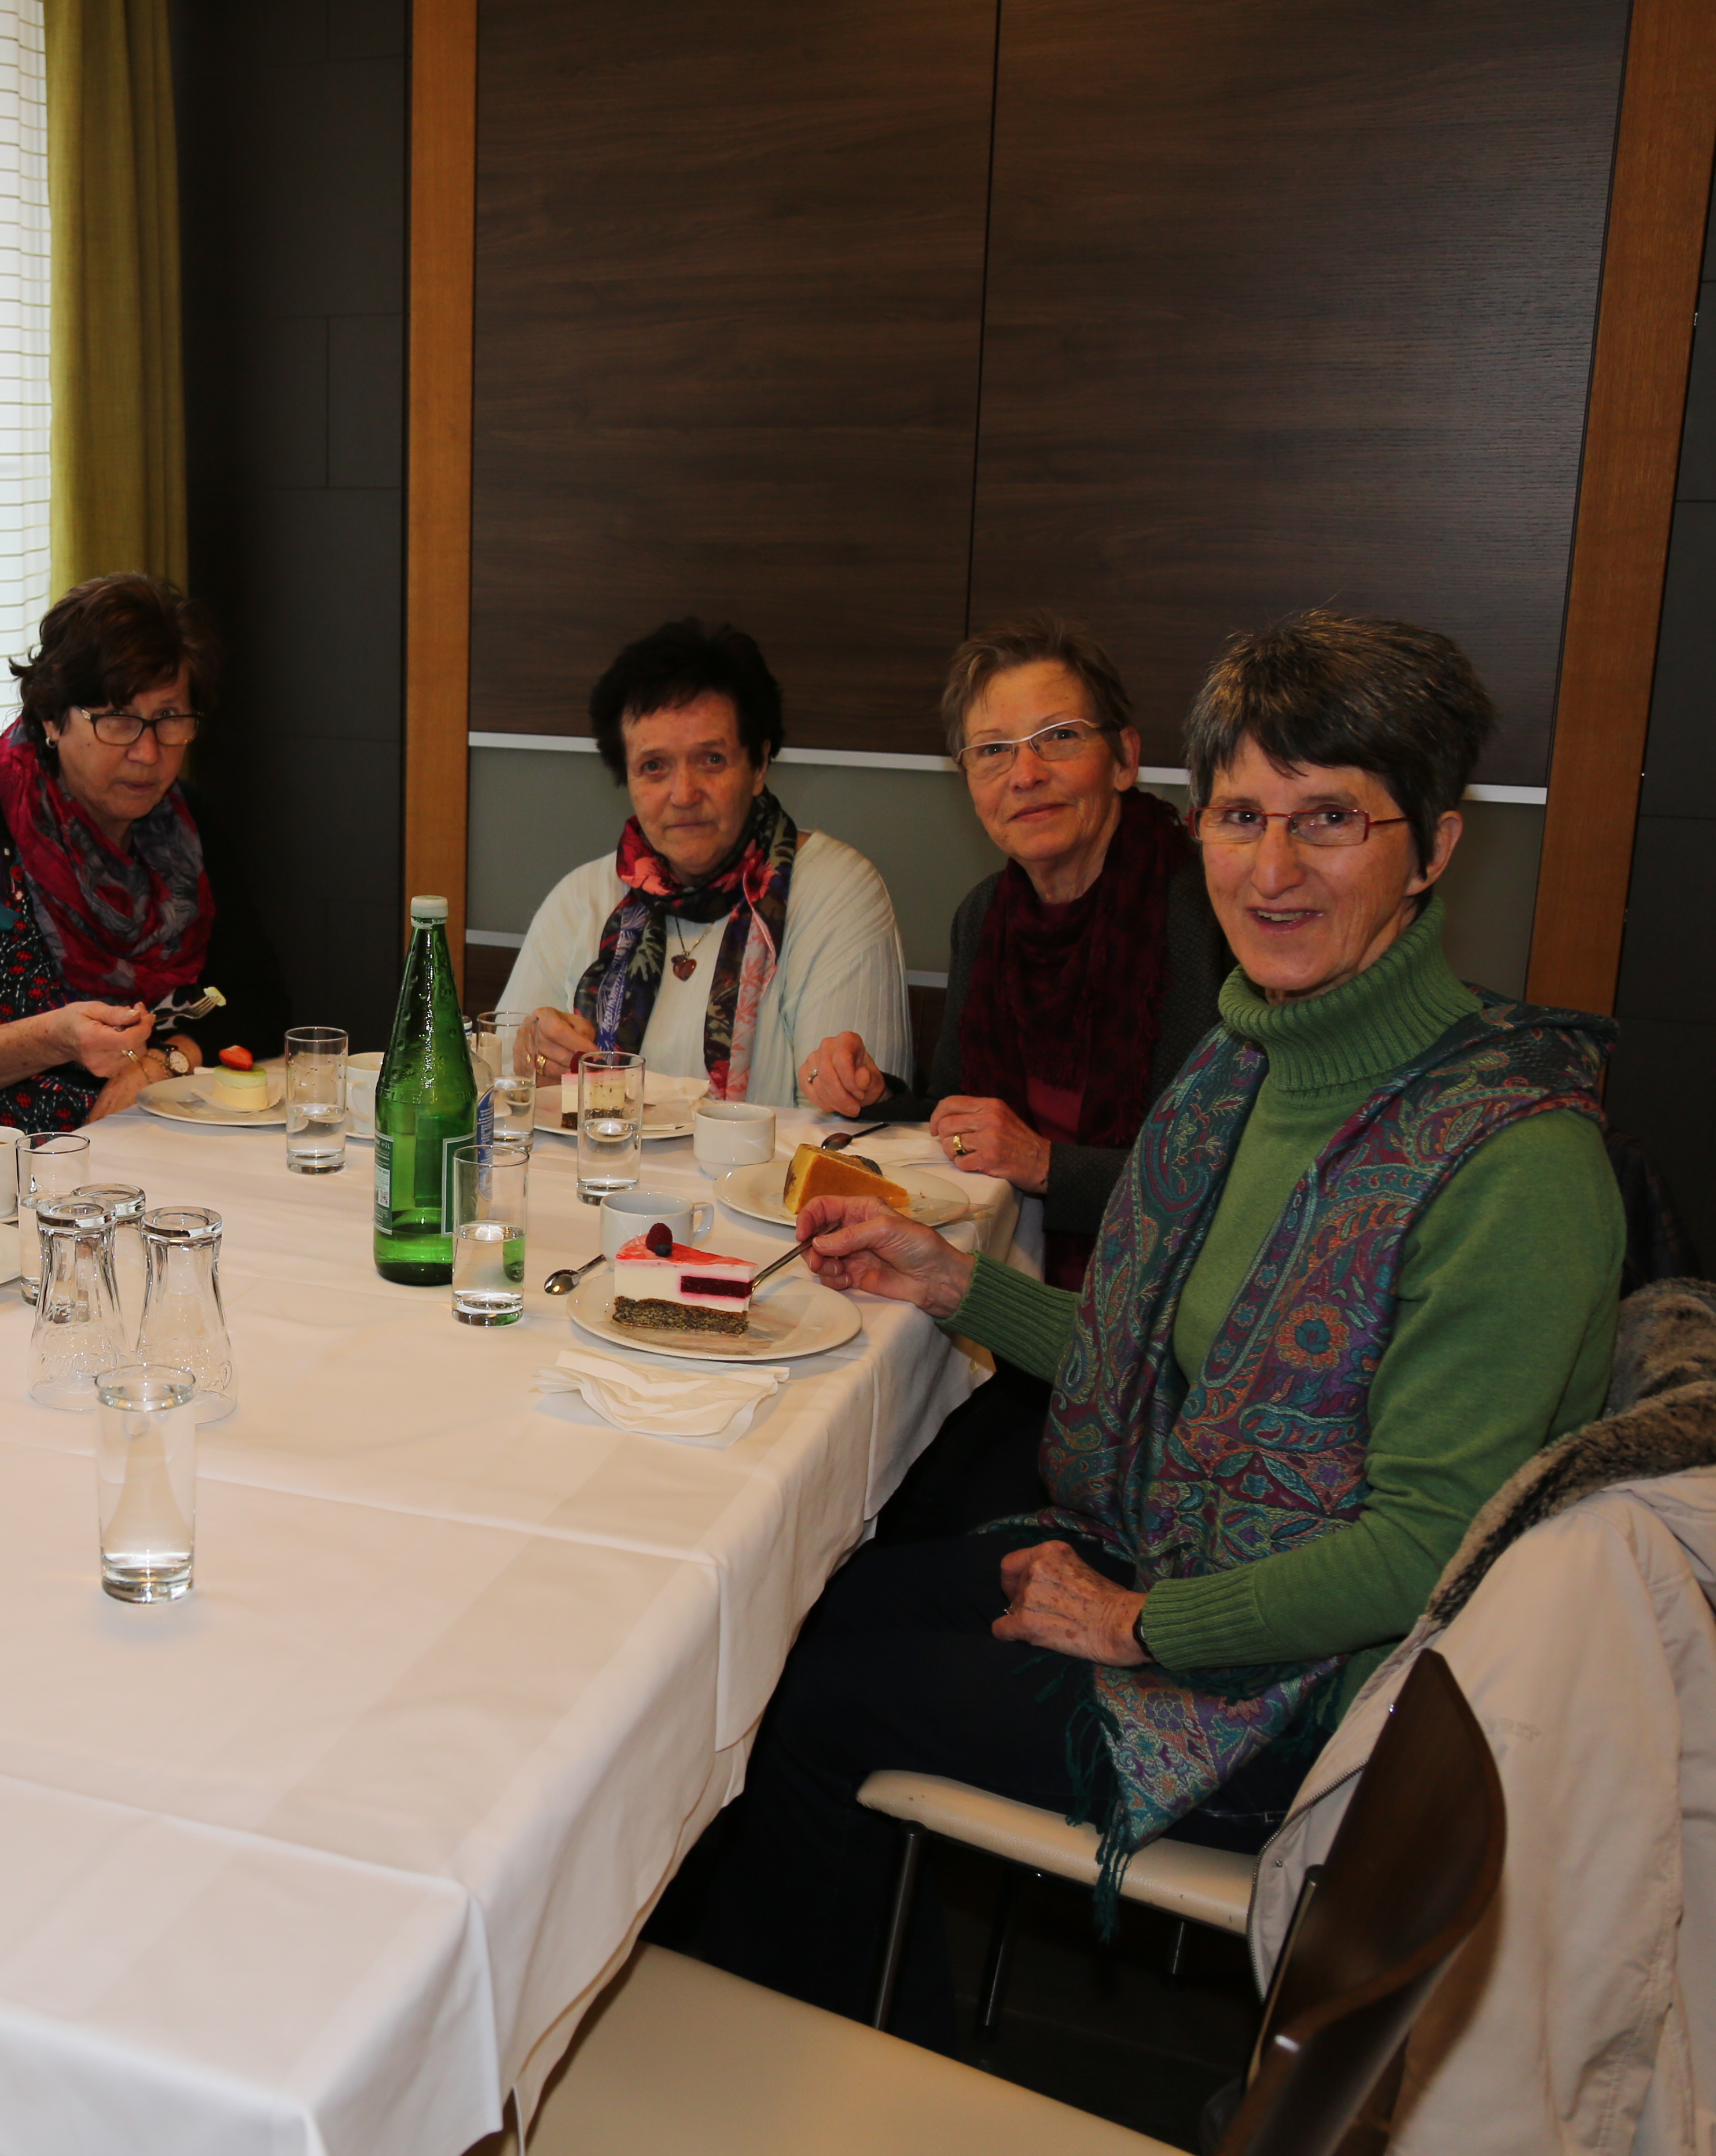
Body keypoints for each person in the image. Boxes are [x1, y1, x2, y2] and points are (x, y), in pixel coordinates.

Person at [660, 613, 1623, 2045]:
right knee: (773, 1607)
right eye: (1239, 815)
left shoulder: (1511, 1158)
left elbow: (1428, 1543)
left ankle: (801, 2072)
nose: (1269, 868)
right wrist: (942, 1278)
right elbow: (1155, 1361)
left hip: (1308, 1701)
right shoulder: (1247, 1062)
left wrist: (1137, 1621)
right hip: (1181, 1550)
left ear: (1428, 847)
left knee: (797, 1702)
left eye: (1329, 821)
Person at [799, 618, 1229, 1541]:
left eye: (1057, 740)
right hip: (1019, 1314)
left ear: (1123, 758)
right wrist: (880, 1098)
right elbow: (967, 1124)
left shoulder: (1205, 913)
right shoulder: (989, 915)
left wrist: (1046, 1165)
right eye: (992, 752)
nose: (1023, 774)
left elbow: (1214, 1183)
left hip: (1168, 1361)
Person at [0, 574, 291, 1196]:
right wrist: (51, 1038)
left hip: (124, 1157)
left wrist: (164, 1059)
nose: (149, 754)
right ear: (52, 717)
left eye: (169, 720)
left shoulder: (185, 829)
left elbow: (261, 1002)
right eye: (119, 722)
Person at [497, 619, 909, 1104]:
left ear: (759, 764)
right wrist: (528, 1063)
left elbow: (853, 1127)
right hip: (599, 1176)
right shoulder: (583, 896)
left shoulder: (837, 891)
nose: (684, 794)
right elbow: (491, 1085)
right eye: (654, 766)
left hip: (764, 1181)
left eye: (711, 760)